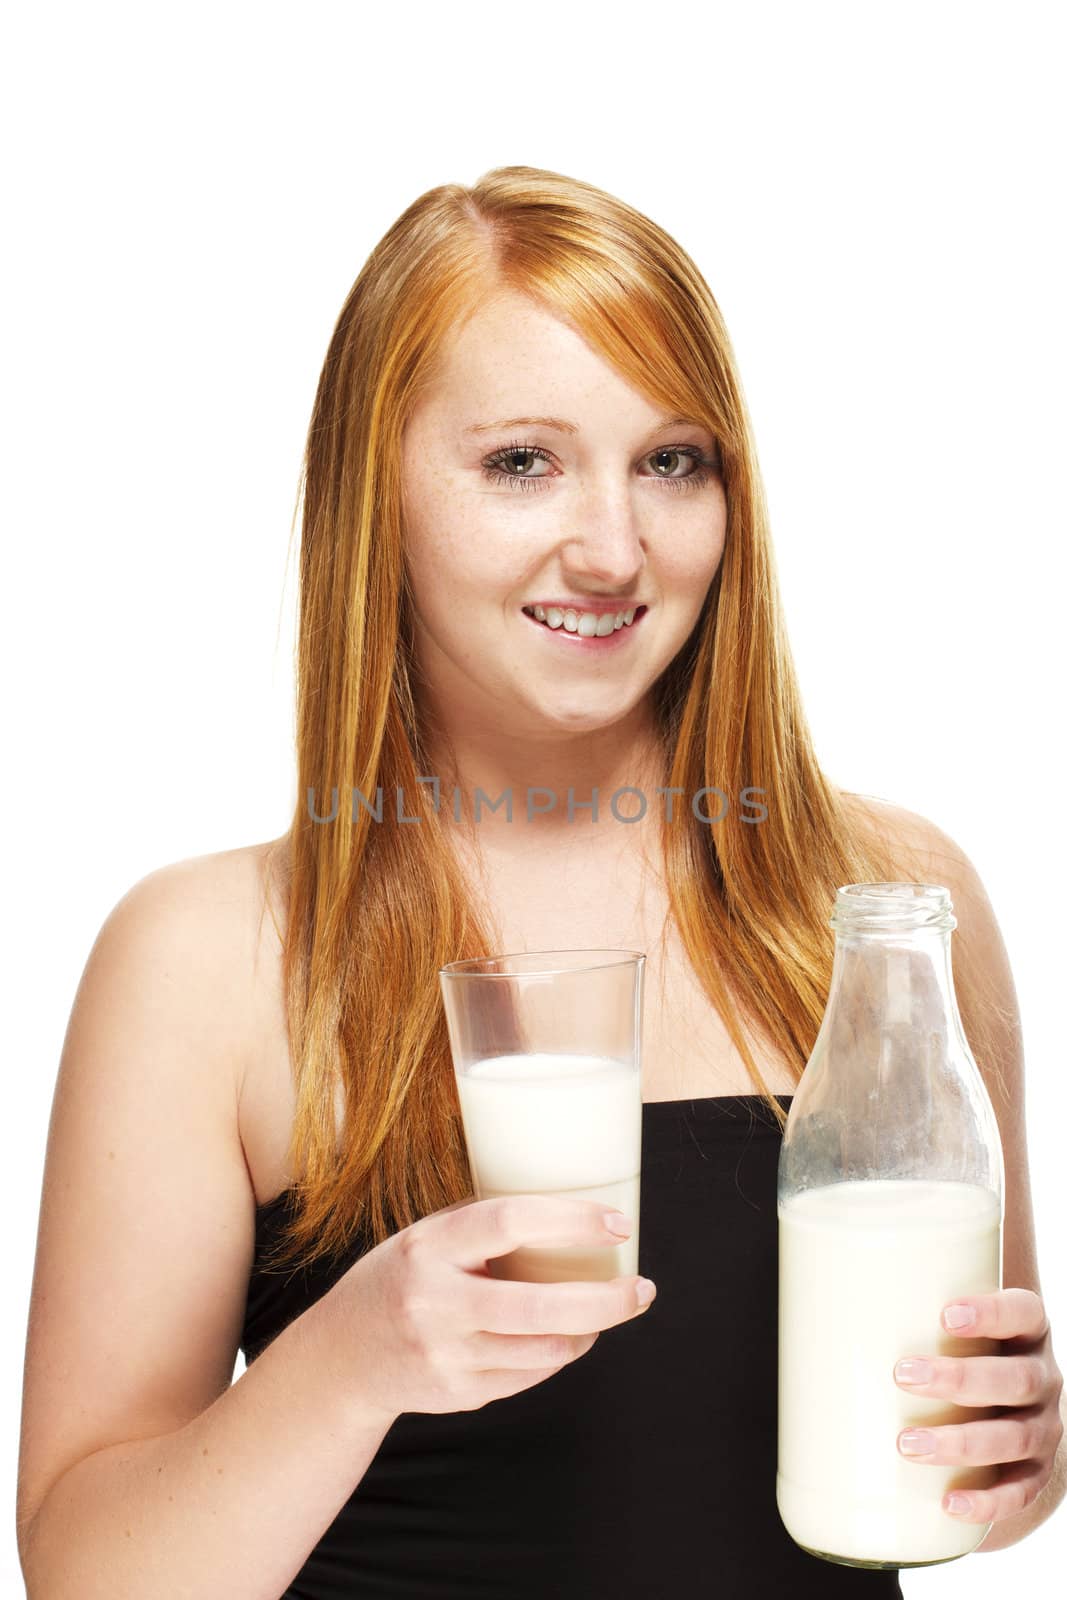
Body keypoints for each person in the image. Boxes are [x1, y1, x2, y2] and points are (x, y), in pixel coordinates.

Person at [16, 165, 1064, 1597]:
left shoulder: (885, 906)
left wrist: (1020, 1454)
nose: (616, 547)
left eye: (673, 460)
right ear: (371, 491)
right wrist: (350, 1360)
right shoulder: (209, 961)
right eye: (522, 462)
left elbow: (977, 1473)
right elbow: (88, 1572)